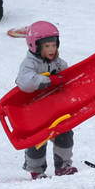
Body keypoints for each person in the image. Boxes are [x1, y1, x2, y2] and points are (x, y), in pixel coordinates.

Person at [15, 21, 78, 179]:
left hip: (55, 107)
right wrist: (48, 81)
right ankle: (36, 169)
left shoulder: (58, 62)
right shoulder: (29, 63)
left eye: (54, 45)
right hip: (35, 109)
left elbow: (68, 75)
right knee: (38, 139)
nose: (52, 49)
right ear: (35, 46)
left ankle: (63, 165)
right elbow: (24, 81)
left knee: (65, 133)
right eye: (47, 46)